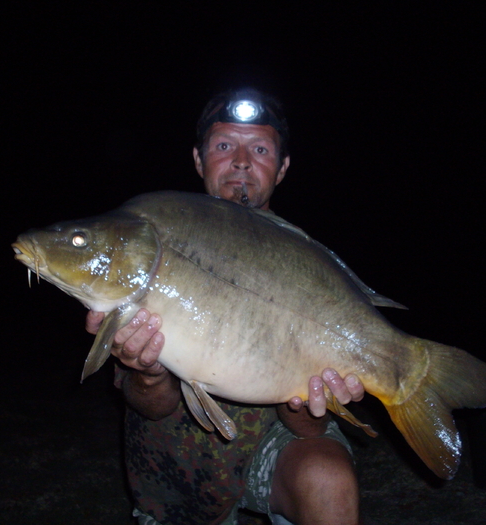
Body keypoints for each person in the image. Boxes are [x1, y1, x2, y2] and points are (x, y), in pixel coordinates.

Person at [87, 89, 366, 525]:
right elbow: (151, 405)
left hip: (273, 448)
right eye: (223, 146)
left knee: (326, 476)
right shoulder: (151, 238)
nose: (241, 161)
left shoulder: (306, 267)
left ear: (283, 166)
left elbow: (307, 428)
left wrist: (304, 398)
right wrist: (147, 370)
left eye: (259, 148)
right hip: (175, 467)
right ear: (199, 161)